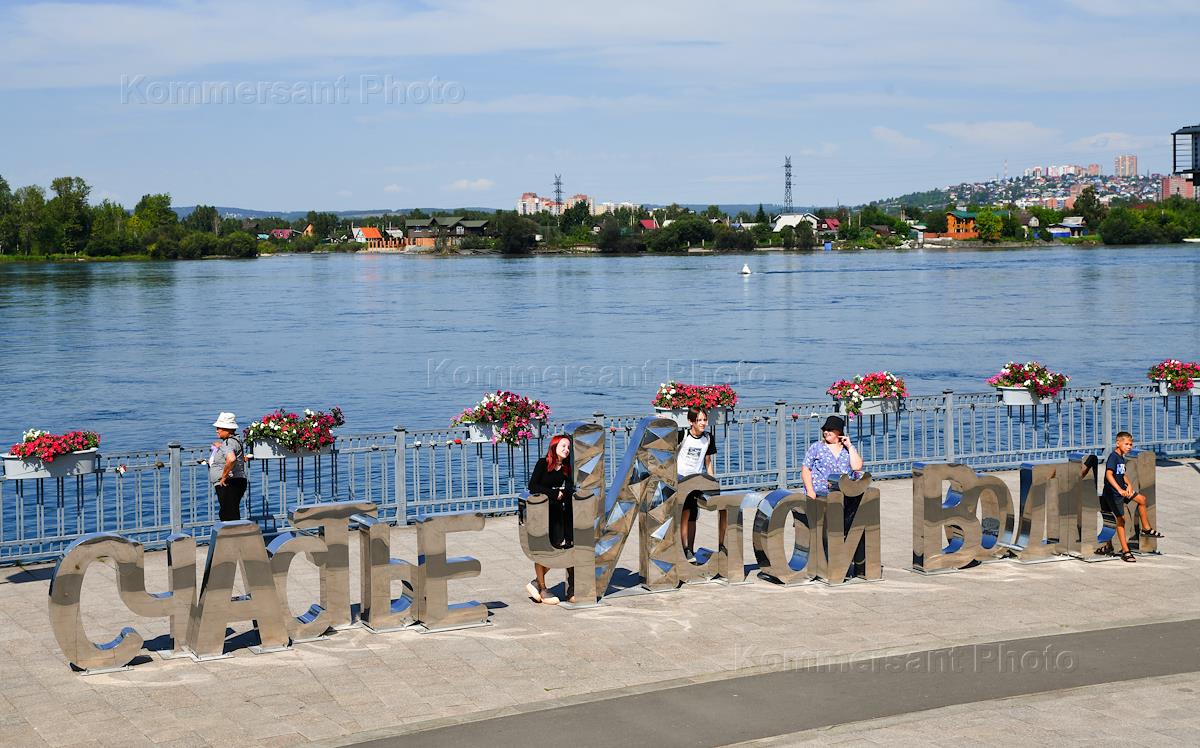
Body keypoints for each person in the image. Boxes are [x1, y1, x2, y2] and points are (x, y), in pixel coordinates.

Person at [802, 415, 865, 577]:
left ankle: (848, 563)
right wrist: (810, 491)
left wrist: (850, 446)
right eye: (825, 429)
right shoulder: (816, 447)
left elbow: (857, 467)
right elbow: (806, 470)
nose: (826, 432)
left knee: (849, 526)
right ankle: (827, 564)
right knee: (826, 530)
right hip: (822, 494)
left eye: (830, 429)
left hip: (845, 494)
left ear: (839, 432)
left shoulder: (847, 450)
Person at [525, 435, 575, 604]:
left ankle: (535, 583)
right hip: (543, 512)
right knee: (544, 551)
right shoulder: (543, 463)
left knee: (557, 549)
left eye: (568, 447)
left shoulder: (566, 468)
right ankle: (543, 588)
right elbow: (533, 486)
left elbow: (569, 488)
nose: (566, 450)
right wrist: (554, 493)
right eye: (563, 446)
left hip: (559, 513)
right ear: (554, 446)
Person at [1100, 431, 1164, 562]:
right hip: (1113, 494)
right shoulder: (1113, 457)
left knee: (1142, 499)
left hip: (1123, 490)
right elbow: (1109, 475)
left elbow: (1122, 474)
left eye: (1130, 444)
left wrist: (1128, 485)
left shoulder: (1121, 457)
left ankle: (1146, 528)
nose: (1129, 447)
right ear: (1118, 443)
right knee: (1121, 521)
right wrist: (1119, 489)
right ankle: (1125, 551)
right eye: (1126, 444)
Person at [677, 407, 723, 562]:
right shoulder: (682, 435)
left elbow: (707, 461)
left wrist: (712, 482)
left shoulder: (708, 438)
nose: (703, 423)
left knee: (692, 516)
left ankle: (690, 549)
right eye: (699, 420)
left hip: (696, 481)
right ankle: (683, 549)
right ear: (691, 422)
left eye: (704, 420)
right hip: (681, 480)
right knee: (684, 514)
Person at [210, 412, 247, 521]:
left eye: (219, 428)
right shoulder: (235, 440)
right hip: (237, 481)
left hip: (229, 483)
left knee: (228, 517)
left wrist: (223, 477)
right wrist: (220, 446)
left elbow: (231, 459)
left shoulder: (228, 443)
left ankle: (235, 533)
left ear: (228, 429)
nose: (217, 430)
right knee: (231, 513)